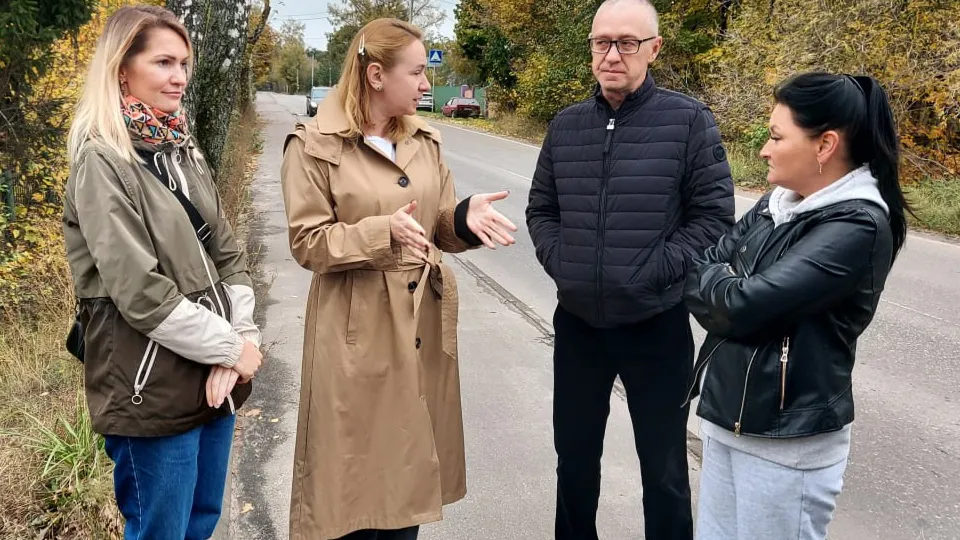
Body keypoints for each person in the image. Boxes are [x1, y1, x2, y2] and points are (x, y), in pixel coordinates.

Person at [279, 18, 517, 540]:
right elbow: (308, 243)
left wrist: (463, 219)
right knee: (352, 476)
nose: (428, 83)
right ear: (376, 75)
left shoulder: (425, 140)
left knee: (409, 472)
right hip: (354, 327)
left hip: (420, 324)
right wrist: (380, 232)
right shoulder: (314, 144)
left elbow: (436, 224)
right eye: (416, 72)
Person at [525, 0, 735, 538]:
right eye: (601, 42)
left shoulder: (688, 121)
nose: (611, 54)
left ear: (653, 49)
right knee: (573, 464)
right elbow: (541, 211)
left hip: (655, 325)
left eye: (627, 42)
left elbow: (713, 218)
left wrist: (654, 271)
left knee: (663, 470)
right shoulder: (567, 125)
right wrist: (565, 263)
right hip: (578, 327)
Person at [63, 6, 263, 539]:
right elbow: (140, 293)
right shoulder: (101, 161)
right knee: (161, 530)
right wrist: (232, 349)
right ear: (121, 69)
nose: (180, 76)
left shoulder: (181, 148)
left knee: (201, 521)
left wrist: (240, 342)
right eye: (164, 62)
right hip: (146, 381)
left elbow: (228, 254)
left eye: (185, 63)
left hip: (210, 377)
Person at [682, 72, 910, 540]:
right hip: (727, 417)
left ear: (824, 145)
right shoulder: (777, 203)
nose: (764, 149)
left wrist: (726, 285)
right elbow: (701, 265)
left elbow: (739, 307)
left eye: (776, 136)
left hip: (788, 443)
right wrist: (725, 285)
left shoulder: (856, 226)